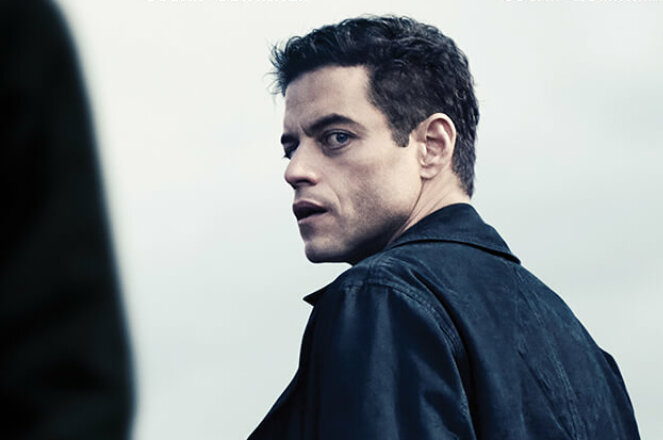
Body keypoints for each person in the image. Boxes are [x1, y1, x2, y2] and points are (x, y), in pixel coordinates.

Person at [250, 15, 640, 439]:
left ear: (432, 146)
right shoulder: (584, 351)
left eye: (336, 137)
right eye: (291, 148)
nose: (295, 170)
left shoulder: (383, 296)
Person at [0, 0, 134, 438]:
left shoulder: (15, 30)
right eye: (288, 148)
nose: (295, 172)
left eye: (322, 138)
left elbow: (67, 377)